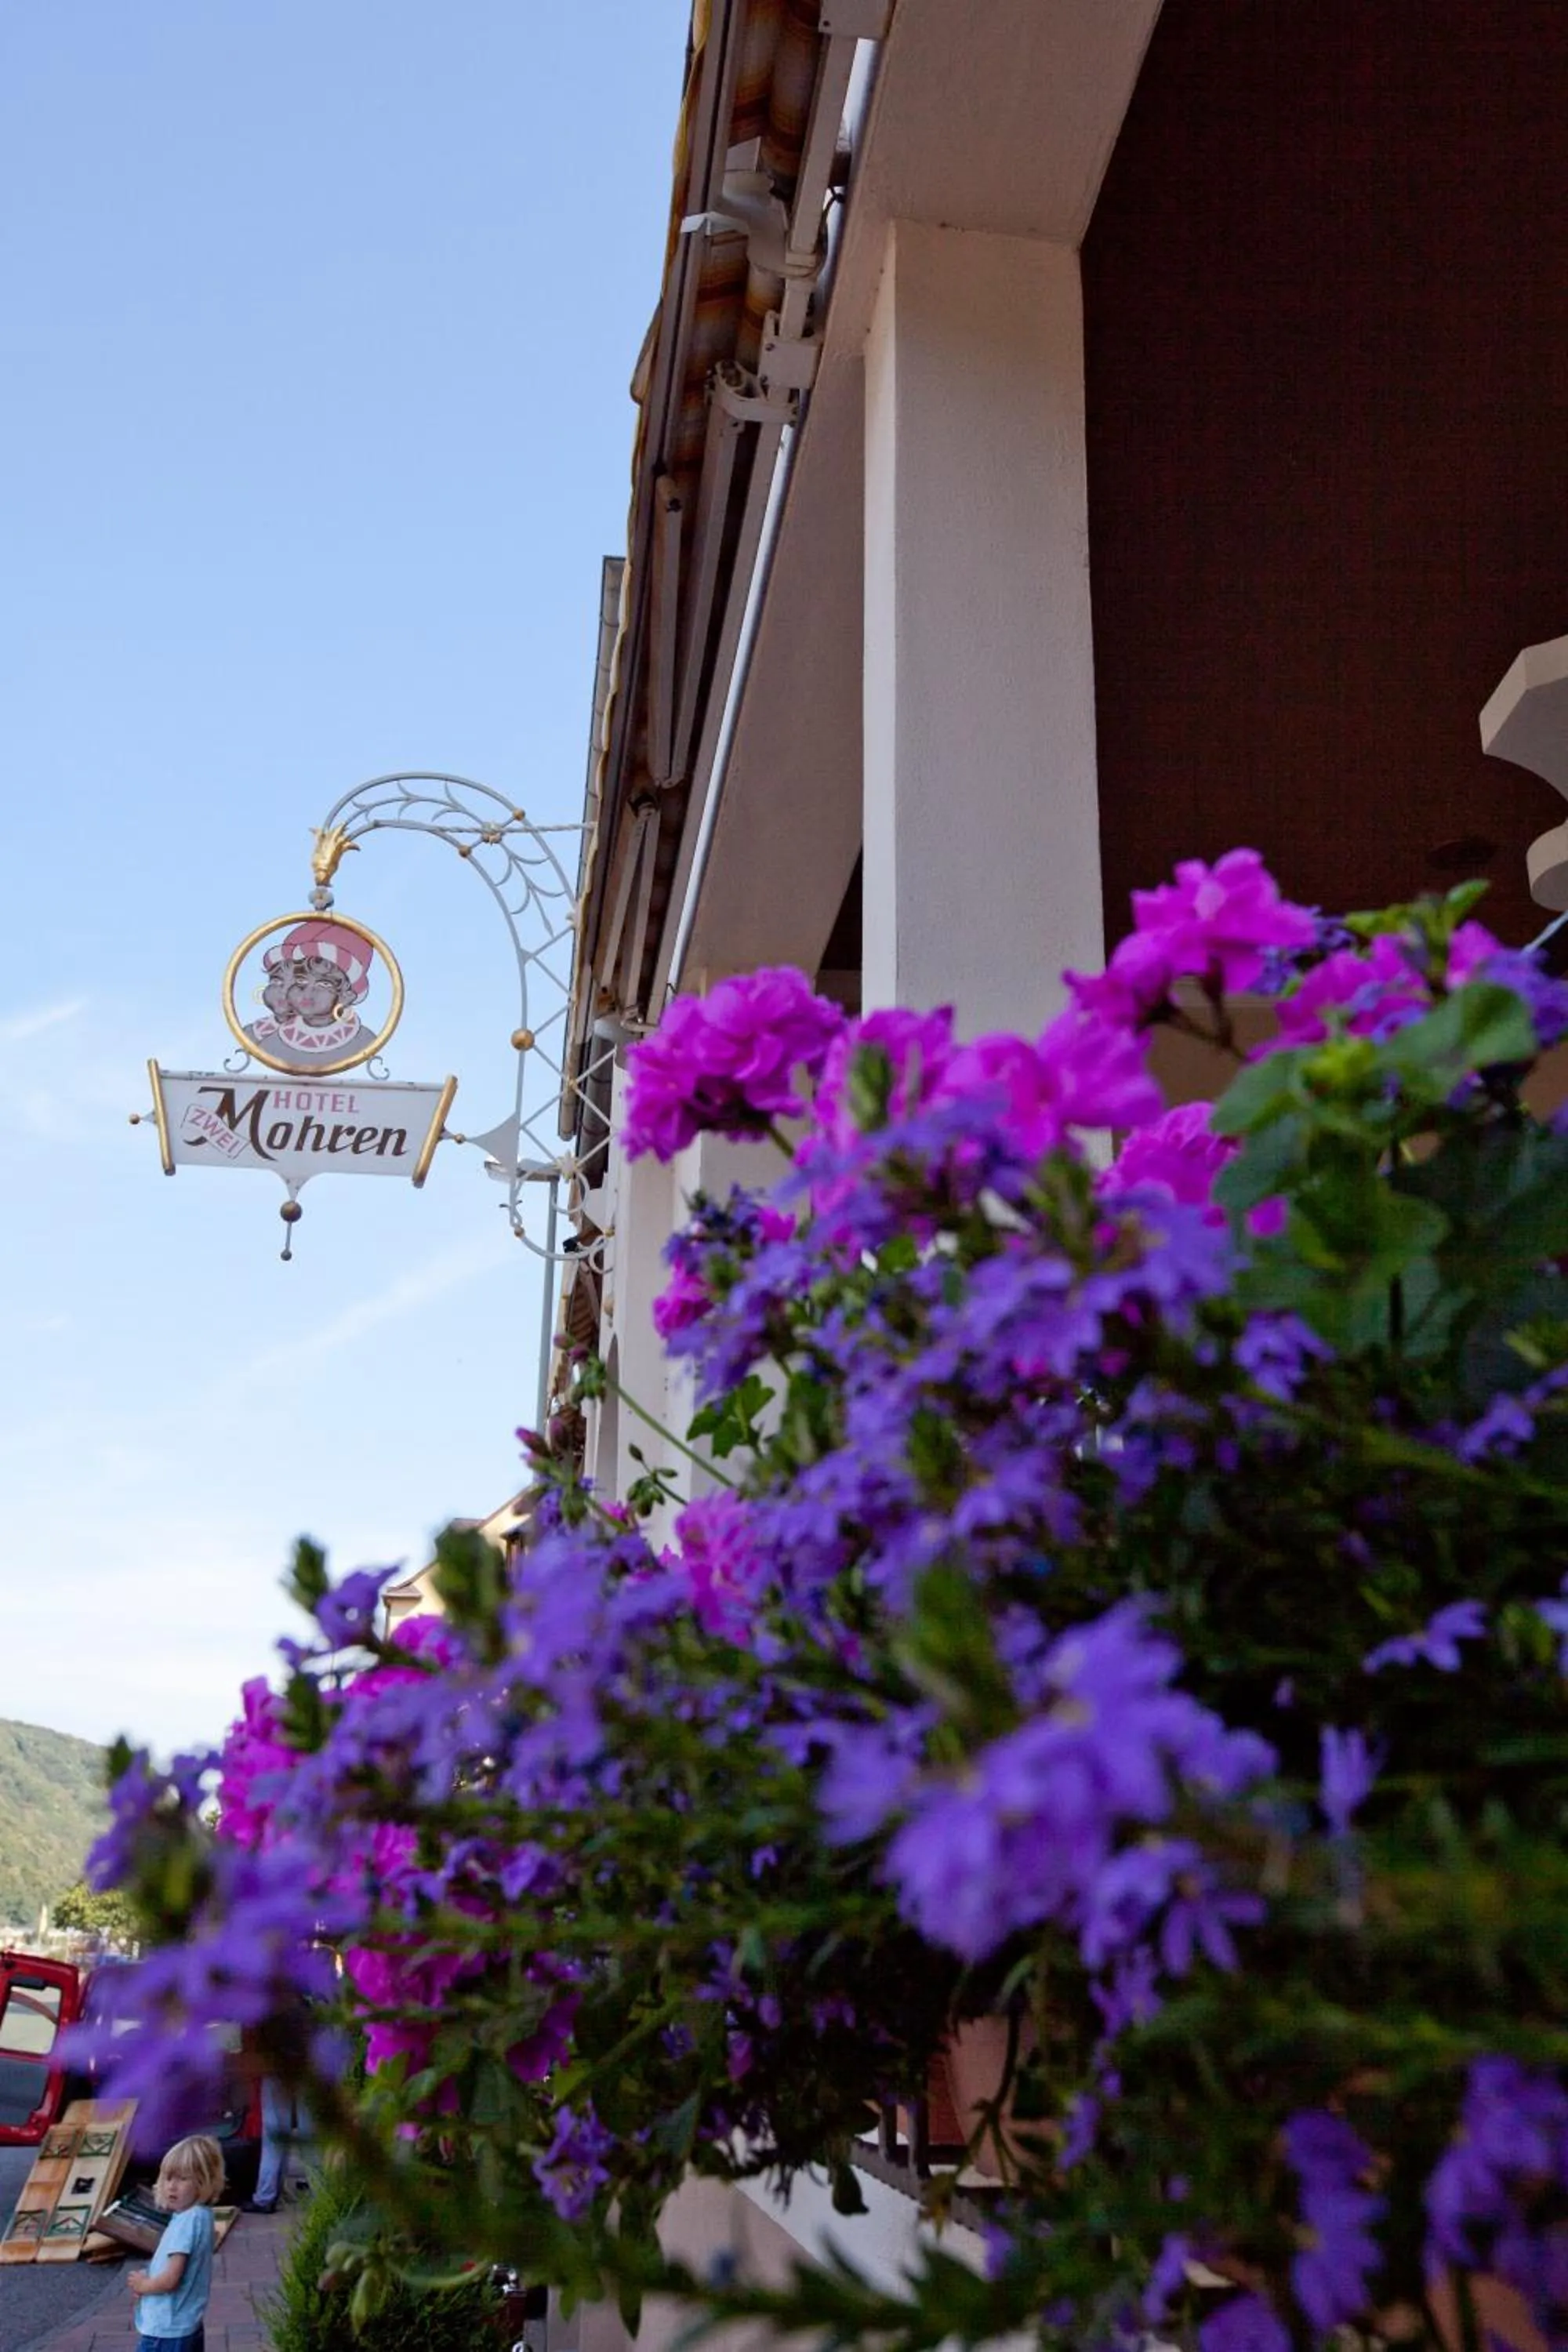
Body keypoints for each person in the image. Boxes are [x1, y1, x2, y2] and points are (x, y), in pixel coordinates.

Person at [126, 2133, 223, 2352]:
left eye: (182, 2179)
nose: (172, 2186)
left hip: (166, 2330)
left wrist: (143, 2286)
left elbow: (172, 2279)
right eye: (168, 2178)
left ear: (203, 2182)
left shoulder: (186, 2223)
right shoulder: (201, 2215)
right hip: (187, 2323)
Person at [242, 917, 377, 1070]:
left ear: (346, 996)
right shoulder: (271, 1042)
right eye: (301, 981)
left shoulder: (364, 1041)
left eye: (324, 984)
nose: (308, 991)